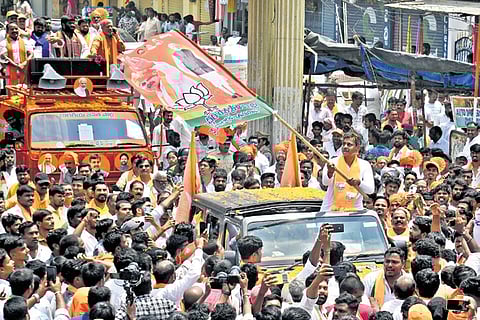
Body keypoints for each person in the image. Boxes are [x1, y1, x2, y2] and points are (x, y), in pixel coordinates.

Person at [321, 132, 374, 211]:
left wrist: (358, 183)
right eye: (344, 144)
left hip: (354, 211)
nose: (345, 147)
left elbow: (370, 190)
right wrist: (330, 173)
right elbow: (325, 183)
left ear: (357, 147)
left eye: (349, 144)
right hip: (330, 209)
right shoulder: (332, 162)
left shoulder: (364, 165)